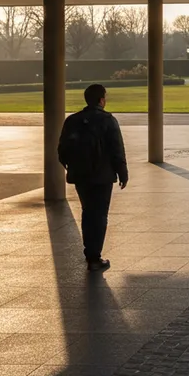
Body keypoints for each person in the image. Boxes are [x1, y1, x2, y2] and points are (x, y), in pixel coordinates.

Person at [58, 84, 128, 271]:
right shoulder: (108, 120)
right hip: (102, 175)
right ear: (101, 100)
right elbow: (116, 149)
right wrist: (122, 172)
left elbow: (62, 150)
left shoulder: (73, 120)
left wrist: (70, 165)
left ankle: (90, 252)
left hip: (81, 174)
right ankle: (94, 257)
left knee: (87, 211)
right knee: (100, 215)